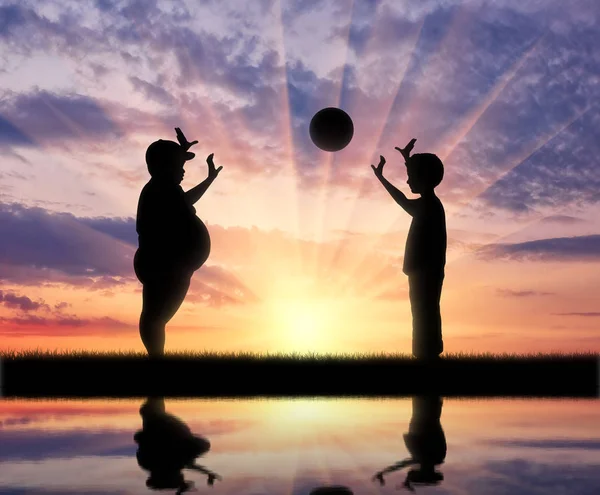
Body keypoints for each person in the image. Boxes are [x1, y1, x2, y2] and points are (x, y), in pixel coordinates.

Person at [134, 127, 223, 357]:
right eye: (179, 167)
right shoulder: (160, 190)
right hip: (163, 264)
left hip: (175, 266)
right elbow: (183, 204)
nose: (183, 172)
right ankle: (156, 361)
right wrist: (208, 180)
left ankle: (157, 360)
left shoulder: (166, 189)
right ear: (165, 167)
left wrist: (208, 179)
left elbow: (184, 201)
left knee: (157, 317)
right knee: (155, 316)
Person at [371, 139, 446, 360]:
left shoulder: (428, 205)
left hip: (425, 270)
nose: (407, 179)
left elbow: (402, 200)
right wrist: (407, 159)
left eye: (411, 176)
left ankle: (426, 353)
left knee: (424, 311)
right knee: (424, 310)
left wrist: (382, 178)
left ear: (423, 178)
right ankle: (427, 352)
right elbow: (416, 180)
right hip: (423, 269)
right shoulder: (430, 204)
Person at [372, 396, 446, 492]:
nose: (415, 468)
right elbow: (403, 464)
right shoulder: (427, 457)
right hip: (425, 417)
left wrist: (384, 472)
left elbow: (401, 465)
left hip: (427, 415)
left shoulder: (430, 458)